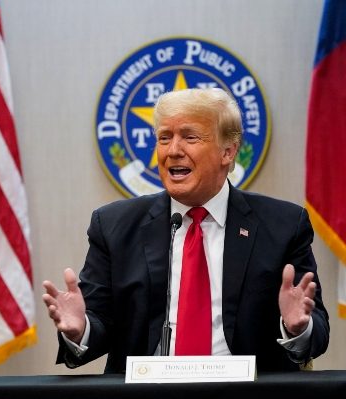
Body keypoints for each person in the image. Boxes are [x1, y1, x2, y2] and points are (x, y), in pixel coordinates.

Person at [43, 87, 329, 373]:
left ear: (227, 152)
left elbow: (317, 330)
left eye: (190, 137)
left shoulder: (283, 225)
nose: (173, 151)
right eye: (164, 138)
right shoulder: (114, 225)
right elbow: (98, 320)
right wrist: (80, 330)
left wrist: (297, 328)